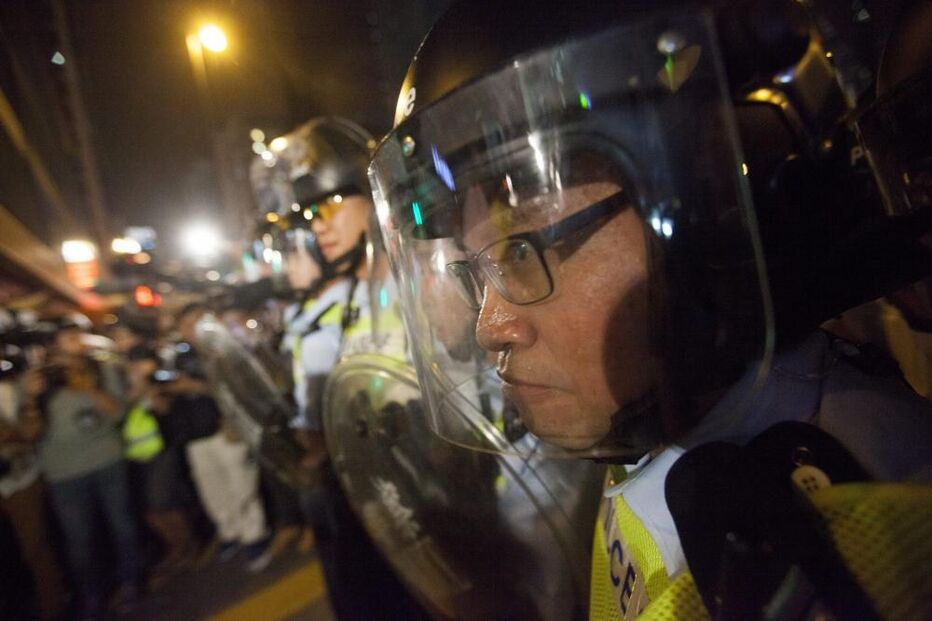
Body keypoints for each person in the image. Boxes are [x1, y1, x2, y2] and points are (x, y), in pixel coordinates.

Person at [369, 0, 932, 618]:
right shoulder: (666, 435)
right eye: (474, 274)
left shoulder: (874, 537)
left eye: (521, 251)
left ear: (704, 214)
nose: (489, 328)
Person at [22, 316, 141, 617]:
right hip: (64, 472)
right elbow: (30, 434)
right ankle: (91, 596)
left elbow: (118, 413)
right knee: (79, 539)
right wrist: (32, 399)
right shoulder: (38, 380)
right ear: (54, 346)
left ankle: (131, 581)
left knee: (122, 523)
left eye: (79, 336)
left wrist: (89, 388)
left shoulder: (99, 368)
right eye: (70, 338)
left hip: (107, 458)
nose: (78, 343)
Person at [168, 302, 269, 566]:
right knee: (212, 490)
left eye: (196, 322)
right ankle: (230, 532)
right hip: (194, 434)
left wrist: (197, 387)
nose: (192, 330)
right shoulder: (179, 357)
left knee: (242, 485)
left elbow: (241, 388)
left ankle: (254, 537)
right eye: (186, 325)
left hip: (226, 429)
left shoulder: (226, 350)